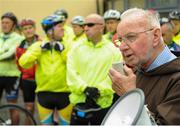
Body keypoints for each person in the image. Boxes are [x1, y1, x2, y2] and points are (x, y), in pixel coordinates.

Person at [108, 8, 180, 125]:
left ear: (156, 36)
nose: (122, 47)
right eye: (120, 40)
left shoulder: (176, 79)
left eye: (131, 37)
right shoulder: (135, 72)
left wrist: (131, 96)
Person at [67, 13, 122, 125]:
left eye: (90, 25)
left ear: (102, 27)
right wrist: (85, 89)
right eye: (84, 25)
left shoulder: (113, 50)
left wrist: (98, 91)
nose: (86, 28)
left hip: (103, 106)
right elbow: (71, 73)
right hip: (80, 104)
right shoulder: (75, 48)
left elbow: (116, 75)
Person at [19, 14, 72, 125]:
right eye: (59, 26)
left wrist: (62, 51)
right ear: (50, 31)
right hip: (44, 93)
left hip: (65, 93)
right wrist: (39, 50)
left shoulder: (68, 44)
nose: (63, 28)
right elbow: (23, 63)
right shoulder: (38, 45)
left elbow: (75, 64)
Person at [0, 12, 24, 125]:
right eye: (3, 22)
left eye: (7, 23)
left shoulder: (19, 38)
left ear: (13, 25)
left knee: (12, 106)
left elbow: (10, 55)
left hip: (12, 76)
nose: (4, 25)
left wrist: (4, 54)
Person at [15, 18, 40, 125]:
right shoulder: (19, 48)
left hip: (42, 80)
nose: (28, 30)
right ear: (22, 31)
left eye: (30, 28)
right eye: (25, 29)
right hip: (27, 80)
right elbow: (19, 65)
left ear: (34, 29)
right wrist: (26, 73)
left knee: (48, 108)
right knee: (29, 109)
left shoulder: (42, 43)